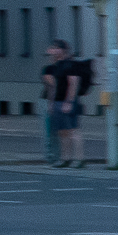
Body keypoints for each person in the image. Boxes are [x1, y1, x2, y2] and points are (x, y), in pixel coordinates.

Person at [40, 39, 92, 167]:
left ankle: (80, 159)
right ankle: (65, 158)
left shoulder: (70, 64)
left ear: (63, 50)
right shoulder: (58, 65)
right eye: (54, 48)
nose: (54, 51)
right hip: (58, 102)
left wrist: (69, 101)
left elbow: (73, 83)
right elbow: (53, 87)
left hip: (68, 102)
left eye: (56, 48)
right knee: (62, 131)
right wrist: (51, 103)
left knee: (74, 130)